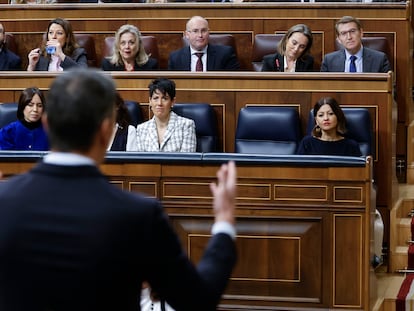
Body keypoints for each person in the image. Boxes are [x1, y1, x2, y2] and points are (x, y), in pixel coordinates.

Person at [0, 68, 237, 311]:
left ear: (47, 124)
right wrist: (224, 222)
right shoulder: (141, 215)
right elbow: (198, 300)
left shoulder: (4, 202)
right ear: (106, 130)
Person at [136, 78, 196, 152]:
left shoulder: (186, 126)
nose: (159, 103)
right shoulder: (141, 129)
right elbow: (140, 162)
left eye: (164, 98)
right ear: (150, 101)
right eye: (155, 98)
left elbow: (187, 161)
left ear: (172, 102)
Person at [168, 16, 240, 71]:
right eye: (195, 31)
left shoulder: (225, 54)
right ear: (187, 34)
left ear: (209, 33)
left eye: (204, 31)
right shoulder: (175, 58)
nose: (200, 35)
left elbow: (233, 83)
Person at [320, 16, 390, 73]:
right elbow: (322, 88)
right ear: (338, 39)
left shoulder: (379, 59)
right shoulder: (329, 61)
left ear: (361, 33)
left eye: (352, 31)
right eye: (343, 33)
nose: (349, 37)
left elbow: (390, 88)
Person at [296, 97, 362, 156]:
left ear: (338, 117)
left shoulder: (351, 146)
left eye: (330, 114)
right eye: (321, 115)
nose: (326, 118)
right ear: (316, 120)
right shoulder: (307, 143)